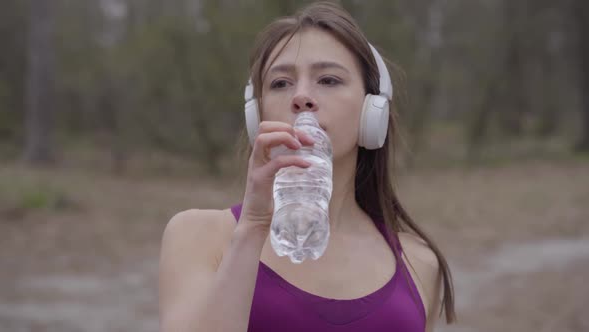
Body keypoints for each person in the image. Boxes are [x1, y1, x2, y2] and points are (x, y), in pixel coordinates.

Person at [158, 2, 456, 331]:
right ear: (258, 116)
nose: (301, 96)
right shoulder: (199, 236)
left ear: (373, 112)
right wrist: (254, 227)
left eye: (328, 80)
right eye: (280, 83)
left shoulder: (419, 263)